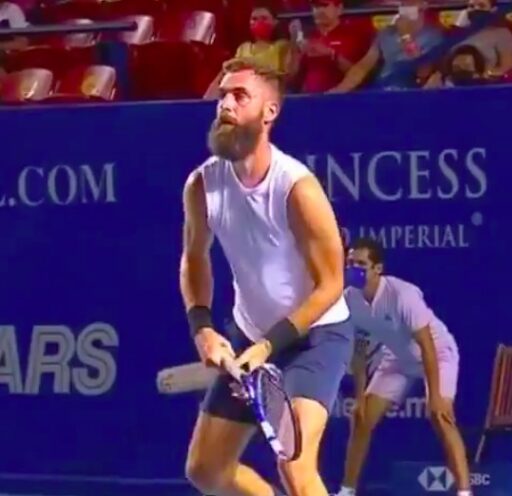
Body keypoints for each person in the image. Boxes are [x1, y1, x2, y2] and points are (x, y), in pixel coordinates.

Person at [180, 56, 354, 496]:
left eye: (240, 96)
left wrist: (266, 347)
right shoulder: (201, 185)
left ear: (269, 112)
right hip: (250, 334)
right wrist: (203, 328)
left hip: (316, 336)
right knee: (205, 469)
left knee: (296, 466)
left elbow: (331, 285)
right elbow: (195, 259)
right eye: (223, 95)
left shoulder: (297, 188)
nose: (226, 104)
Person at [335, 237, 472, 496]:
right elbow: (360, 351)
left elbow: (427, 346)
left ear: (378, 269)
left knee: (441, 416)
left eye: (361, 264)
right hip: (397, 358)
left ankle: (465, 492)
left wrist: (435, 397)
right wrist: (360, 397)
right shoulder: (349, 299)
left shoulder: (401, 295)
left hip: (437, 354)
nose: (353, 269)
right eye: (350, 263)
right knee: (361, 418)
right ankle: (346, 491)